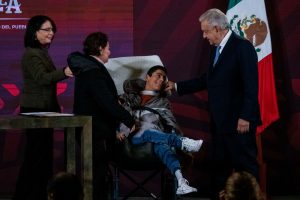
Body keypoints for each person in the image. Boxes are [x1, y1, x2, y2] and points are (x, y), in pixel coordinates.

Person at [166, 8, 262, 199]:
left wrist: (244, 116)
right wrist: (176, 86)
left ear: (217, 29)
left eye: (206, 31)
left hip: (239, 123)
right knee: (220, 169)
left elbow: (251, 86)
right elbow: (207, 79)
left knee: (246, 167)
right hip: (220, 123)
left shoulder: (242, 47)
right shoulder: (217, 50)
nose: (204, 36)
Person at [67, 31, 135, 200]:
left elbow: (101, 99)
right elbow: (105, 102)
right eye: (108, 48)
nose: (110, 52)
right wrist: (129, 119)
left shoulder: (88, 68)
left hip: (94, 130)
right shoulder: (93, 71)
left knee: (98, 174)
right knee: (97, 176)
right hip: (96, 131)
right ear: (100, 48)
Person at [117, 65, 203, 195]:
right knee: (147, 131)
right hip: (130, 141)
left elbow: (170, 122)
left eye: (164, 77)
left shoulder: (163, 102)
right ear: (148, 77)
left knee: (162, 145)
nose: (161, 79)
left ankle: (181, 181)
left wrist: (174, 131)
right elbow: (116, 114)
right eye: (158, 75)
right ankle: (183, 142)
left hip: (153, 141)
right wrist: (118, 131)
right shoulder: (127, 97)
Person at [13, 15, 73, 200]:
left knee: (41, 157)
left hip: (44, 109)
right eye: (46, 30)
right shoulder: (32, 53)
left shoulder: (40, 52)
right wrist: (64, 72)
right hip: (35, 110)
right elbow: (42, 78)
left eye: (52, 29)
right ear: (34, 32)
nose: (51, 33)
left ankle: (38, 194)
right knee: (35, 157)